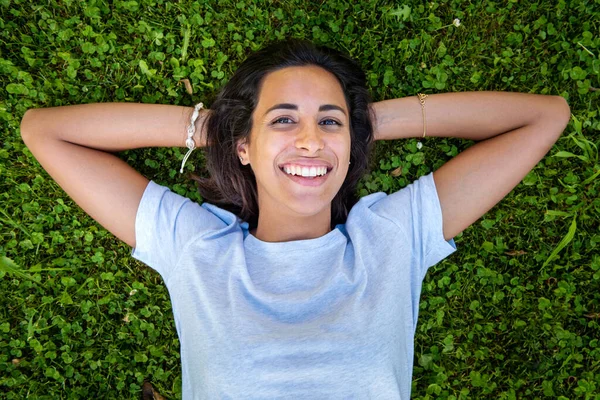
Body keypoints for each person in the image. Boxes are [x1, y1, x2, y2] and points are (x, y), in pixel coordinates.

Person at [20, 38, 570, 399]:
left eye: (328, 124)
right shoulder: (198, 250)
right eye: (283, 120)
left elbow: (543, 117)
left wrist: (361, 122)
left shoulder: (392, 239)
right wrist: (218, 127)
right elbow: (44, 131)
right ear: (242, 146)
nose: (310, 139)